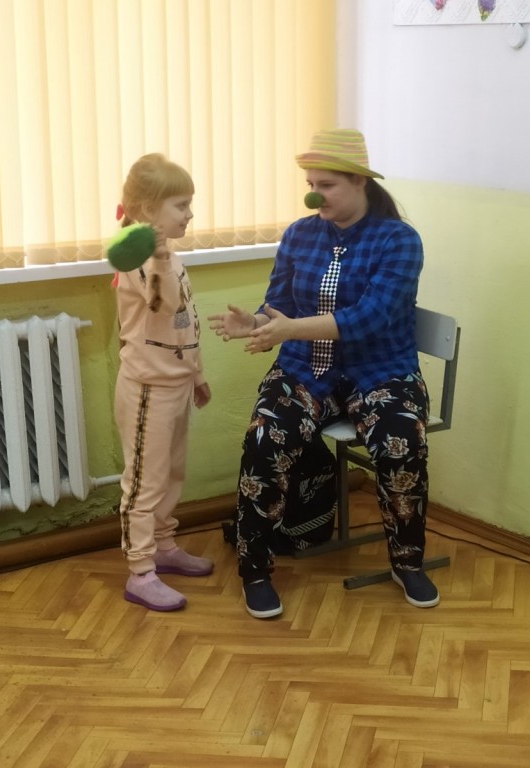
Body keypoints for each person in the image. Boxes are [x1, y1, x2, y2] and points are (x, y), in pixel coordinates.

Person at [208, 128, 439, 619]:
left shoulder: (399, 240)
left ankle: (407, 562)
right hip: (304, 370)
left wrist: (289, 328)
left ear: (360, 182)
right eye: (311, 184)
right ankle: (255, 571)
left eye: (327, 185)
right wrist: (257, 323)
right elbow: (280, 304)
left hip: (382, 372)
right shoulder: (299, 234)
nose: (314, 195)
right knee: (264, 441)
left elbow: (371, 317)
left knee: (402, 444)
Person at [111, 153, 213, 612]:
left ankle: (165, 546)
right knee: (144, 483)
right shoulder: (139, 260)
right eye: (181, 205)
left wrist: (197, 374)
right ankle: (141, 571)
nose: (190, 214)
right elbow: (164, 302)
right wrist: (159, 257)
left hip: (176, 384)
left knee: (172, 474)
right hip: (147, 389)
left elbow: (183, 323)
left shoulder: (169, 258)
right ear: (149, 210)